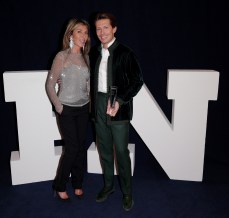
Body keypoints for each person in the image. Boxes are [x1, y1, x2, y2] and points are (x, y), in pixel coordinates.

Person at [89, 12, 143, 211]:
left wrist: (120, 101)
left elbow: (138, 81)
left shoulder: (126, 53)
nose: (101, 32)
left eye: (105, 27)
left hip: (118, 109)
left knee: (121, 152)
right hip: (98, 107)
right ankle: (109, 186)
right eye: (98, 28)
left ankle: (127, 193)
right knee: (104, 150)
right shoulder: (93, 53)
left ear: (114, 29)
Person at [45, 18, 91, 201]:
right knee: (72, 148)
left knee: (80, 148)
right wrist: (59, 106)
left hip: (83, 108)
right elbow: (49, 85)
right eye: (79, 31)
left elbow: (87, 85)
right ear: (70, 34)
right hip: (67, 109)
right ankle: (59, 185)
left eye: (86, 32)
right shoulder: (61, 57)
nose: (84, 36)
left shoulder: (87, 58)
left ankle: (78, 183)